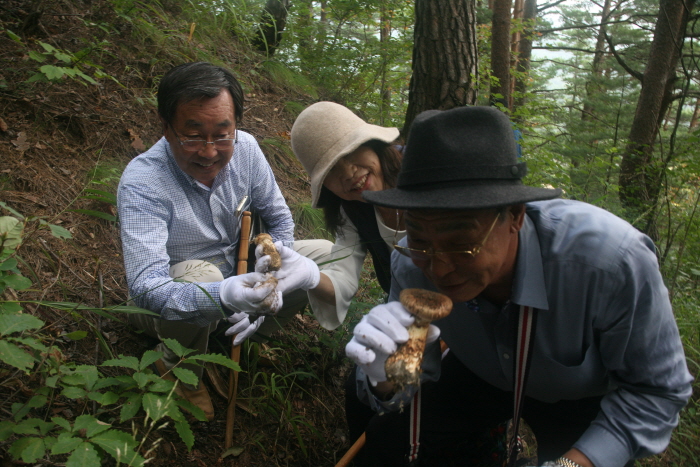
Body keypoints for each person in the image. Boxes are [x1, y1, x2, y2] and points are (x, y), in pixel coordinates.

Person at [344, 106, 693, 467]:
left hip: (578, 397)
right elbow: (412, 372)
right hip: (481, 372)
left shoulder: (610, 263)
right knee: (387, 440)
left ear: (515, 215)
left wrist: (573, 464)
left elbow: (657, 390)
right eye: (419, 239)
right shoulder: (412, 263)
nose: (439, 268)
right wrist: (386, 376)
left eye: (461, 243)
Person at [117, 62, 328, 421]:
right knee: (204, 277)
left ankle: (246, 331)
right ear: (166, 128)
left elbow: (278, 217)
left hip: (240, 275)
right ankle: (179, 367)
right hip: (173, 304)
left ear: (236, 126)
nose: (209, 151)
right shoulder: (143, 183)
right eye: (193, 135)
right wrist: (224, 294)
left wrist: (270, 262)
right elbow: (145, 287)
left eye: (222, 134)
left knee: (320, 256)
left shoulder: (246, 150)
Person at [287, 101, 405, 330]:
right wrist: (308, 275)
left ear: (372, 143)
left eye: (351, 151)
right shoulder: (352, 210)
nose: (349, 173)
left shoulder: (425, 176)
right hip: (406, 312)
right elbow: (343, 276)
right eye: (330, 169)